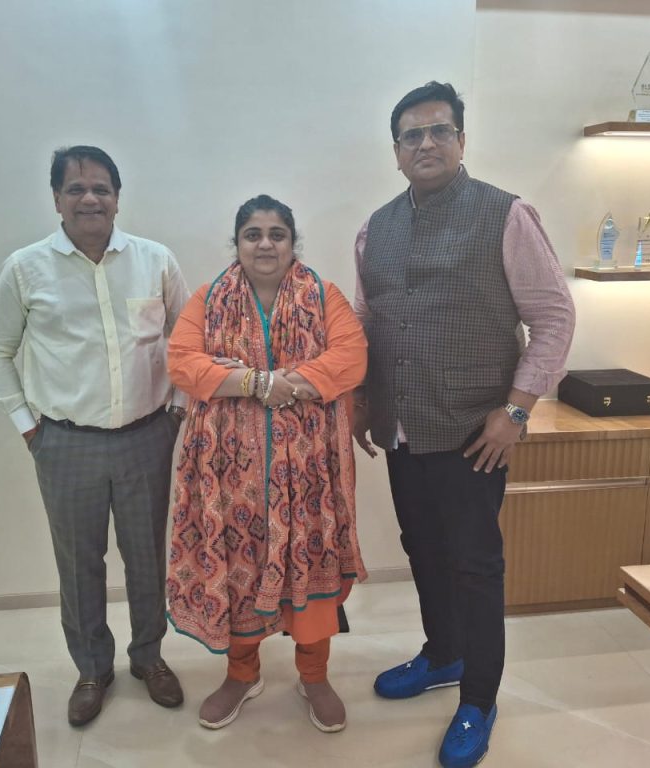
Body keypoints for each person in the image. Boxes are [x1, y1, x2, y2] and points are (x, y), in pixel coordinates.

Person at [353, 82, 575, 768]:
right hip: (402, 428)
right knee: (423, 548)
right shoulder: (375, 228)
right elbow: (366, 322)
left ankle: (479, 697)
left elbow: (554, 316)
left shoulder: (506, 215)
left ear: (461, 140)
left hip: (477, 434)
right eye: (411, 135)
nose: (425, 144)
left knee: (475, 565)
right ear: (396, 151)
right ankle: (443, 654)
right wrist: (362, 400)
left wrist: (517, 411)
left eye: (439, 131)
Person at [0, 145, 189, 727]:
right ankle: (92, 669)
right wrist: (28, 427)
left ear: (117, 197)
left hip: (147, 436)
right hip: (65, 443)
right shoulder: (25, 268)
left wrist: (177, 410)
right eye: (76, 189)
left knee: (146, 556)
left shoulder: (155, 260)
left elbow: (189, 342)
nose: (89, 198)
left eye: (101, 188)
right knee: (79, 564)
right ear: (57, 200)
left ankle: (148, 657)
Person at [167, 194, 367, 733]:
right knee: (239, 567)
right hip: (227, 476)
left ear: (292, 243)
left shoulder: (323, 295)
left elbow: (350, 359)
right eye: (252, 234)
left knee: (310, 562)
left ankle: (314, 676)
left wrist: (271, 383)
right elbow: (183, 363)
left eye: (277, 234)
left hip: (309, 472)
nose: (265, 244)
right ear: (236, 243)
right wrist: (259, 382)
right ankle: (242, 674)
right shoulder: (209, 298)